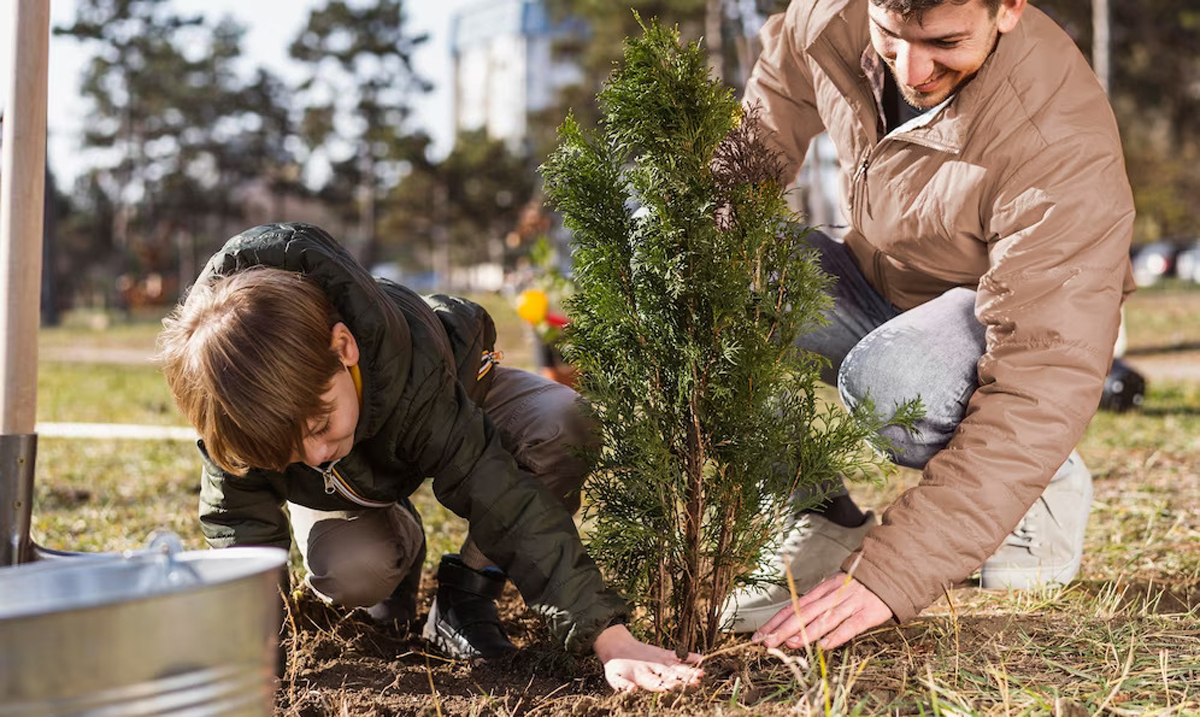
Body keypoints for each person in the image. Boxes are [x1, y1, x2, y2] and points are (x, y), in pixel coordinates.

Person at [720, 0, 1135, 650]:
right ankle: (817, 517)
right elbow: (757, 138)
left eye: (943, 42)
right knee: (710, 263)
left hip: (1016, 325)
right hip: (881, 285)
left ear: (1009, 9)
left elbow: (1041, 376)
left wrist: (891, 572)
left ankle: (1042, 491)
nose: (911, 69)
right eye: (890, 36)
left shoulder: (1056, 138)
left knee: (896, 383)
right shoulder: (827, 20)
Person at [158, 222, 703, 692]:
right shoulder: (232, 401)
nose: (317, 453)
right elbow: (240, 530)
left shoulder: (411, 369)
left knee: (563, 425)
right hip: (357, 485)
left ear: (343, 346)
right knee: (352, 570)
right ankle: (398, 564)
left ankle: (466, 593)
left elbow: (502, 497)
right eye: (288, 449)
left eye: (321, 424)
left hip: (448, 393)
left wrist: (606, 635)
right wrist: (256, 655)